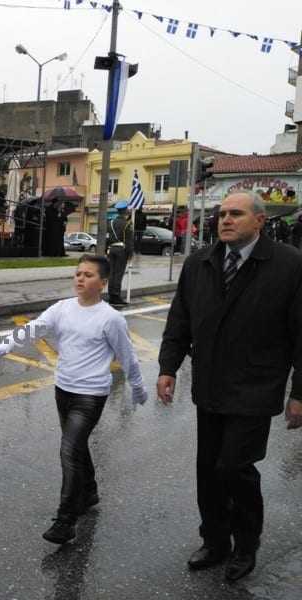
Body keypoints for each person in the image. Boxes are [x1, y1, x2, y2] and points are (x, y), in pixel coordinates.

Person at [157, 191, 302, 582]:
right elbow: (180, 320)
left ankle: (246, 544)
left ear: (259, 220)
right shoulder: (199, 263)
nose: (225, 220)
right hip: (210, 385)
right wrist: (168, 367)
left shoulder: (289, 265)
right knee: (209, 469)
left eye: (235, 214)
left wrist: (300, 393)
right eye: (222, 214)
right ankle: (215, 540)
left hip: (256, 387)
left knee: (235, 468)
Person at [0, 254, 147, 545]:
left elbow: (127, 355)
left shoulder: (110, 318)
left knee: (69, 450)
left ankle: (66, 520)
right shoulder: (62, 309)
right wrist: (5, 344)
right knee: (76, 447)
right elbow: (34, 328)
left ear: (103, 282)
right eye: (78, 273)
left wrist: (137, 386)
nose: (80, 279)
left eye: (87, 275)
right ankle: (89, 492)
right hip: (63, 388)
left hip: (92, 393)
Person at [106, 201, 133, 306]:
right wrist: (130, 253)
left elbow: (107, 237)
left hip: (111, 249)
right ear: (125, 210)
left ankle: (111, 295)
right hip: (122, 250)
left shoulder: (111, 222)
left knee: (111, 274)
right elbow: (129, 240)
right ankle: (116, 296)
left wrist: (106, 250)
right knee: (118, 274)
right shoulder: (127, 224)